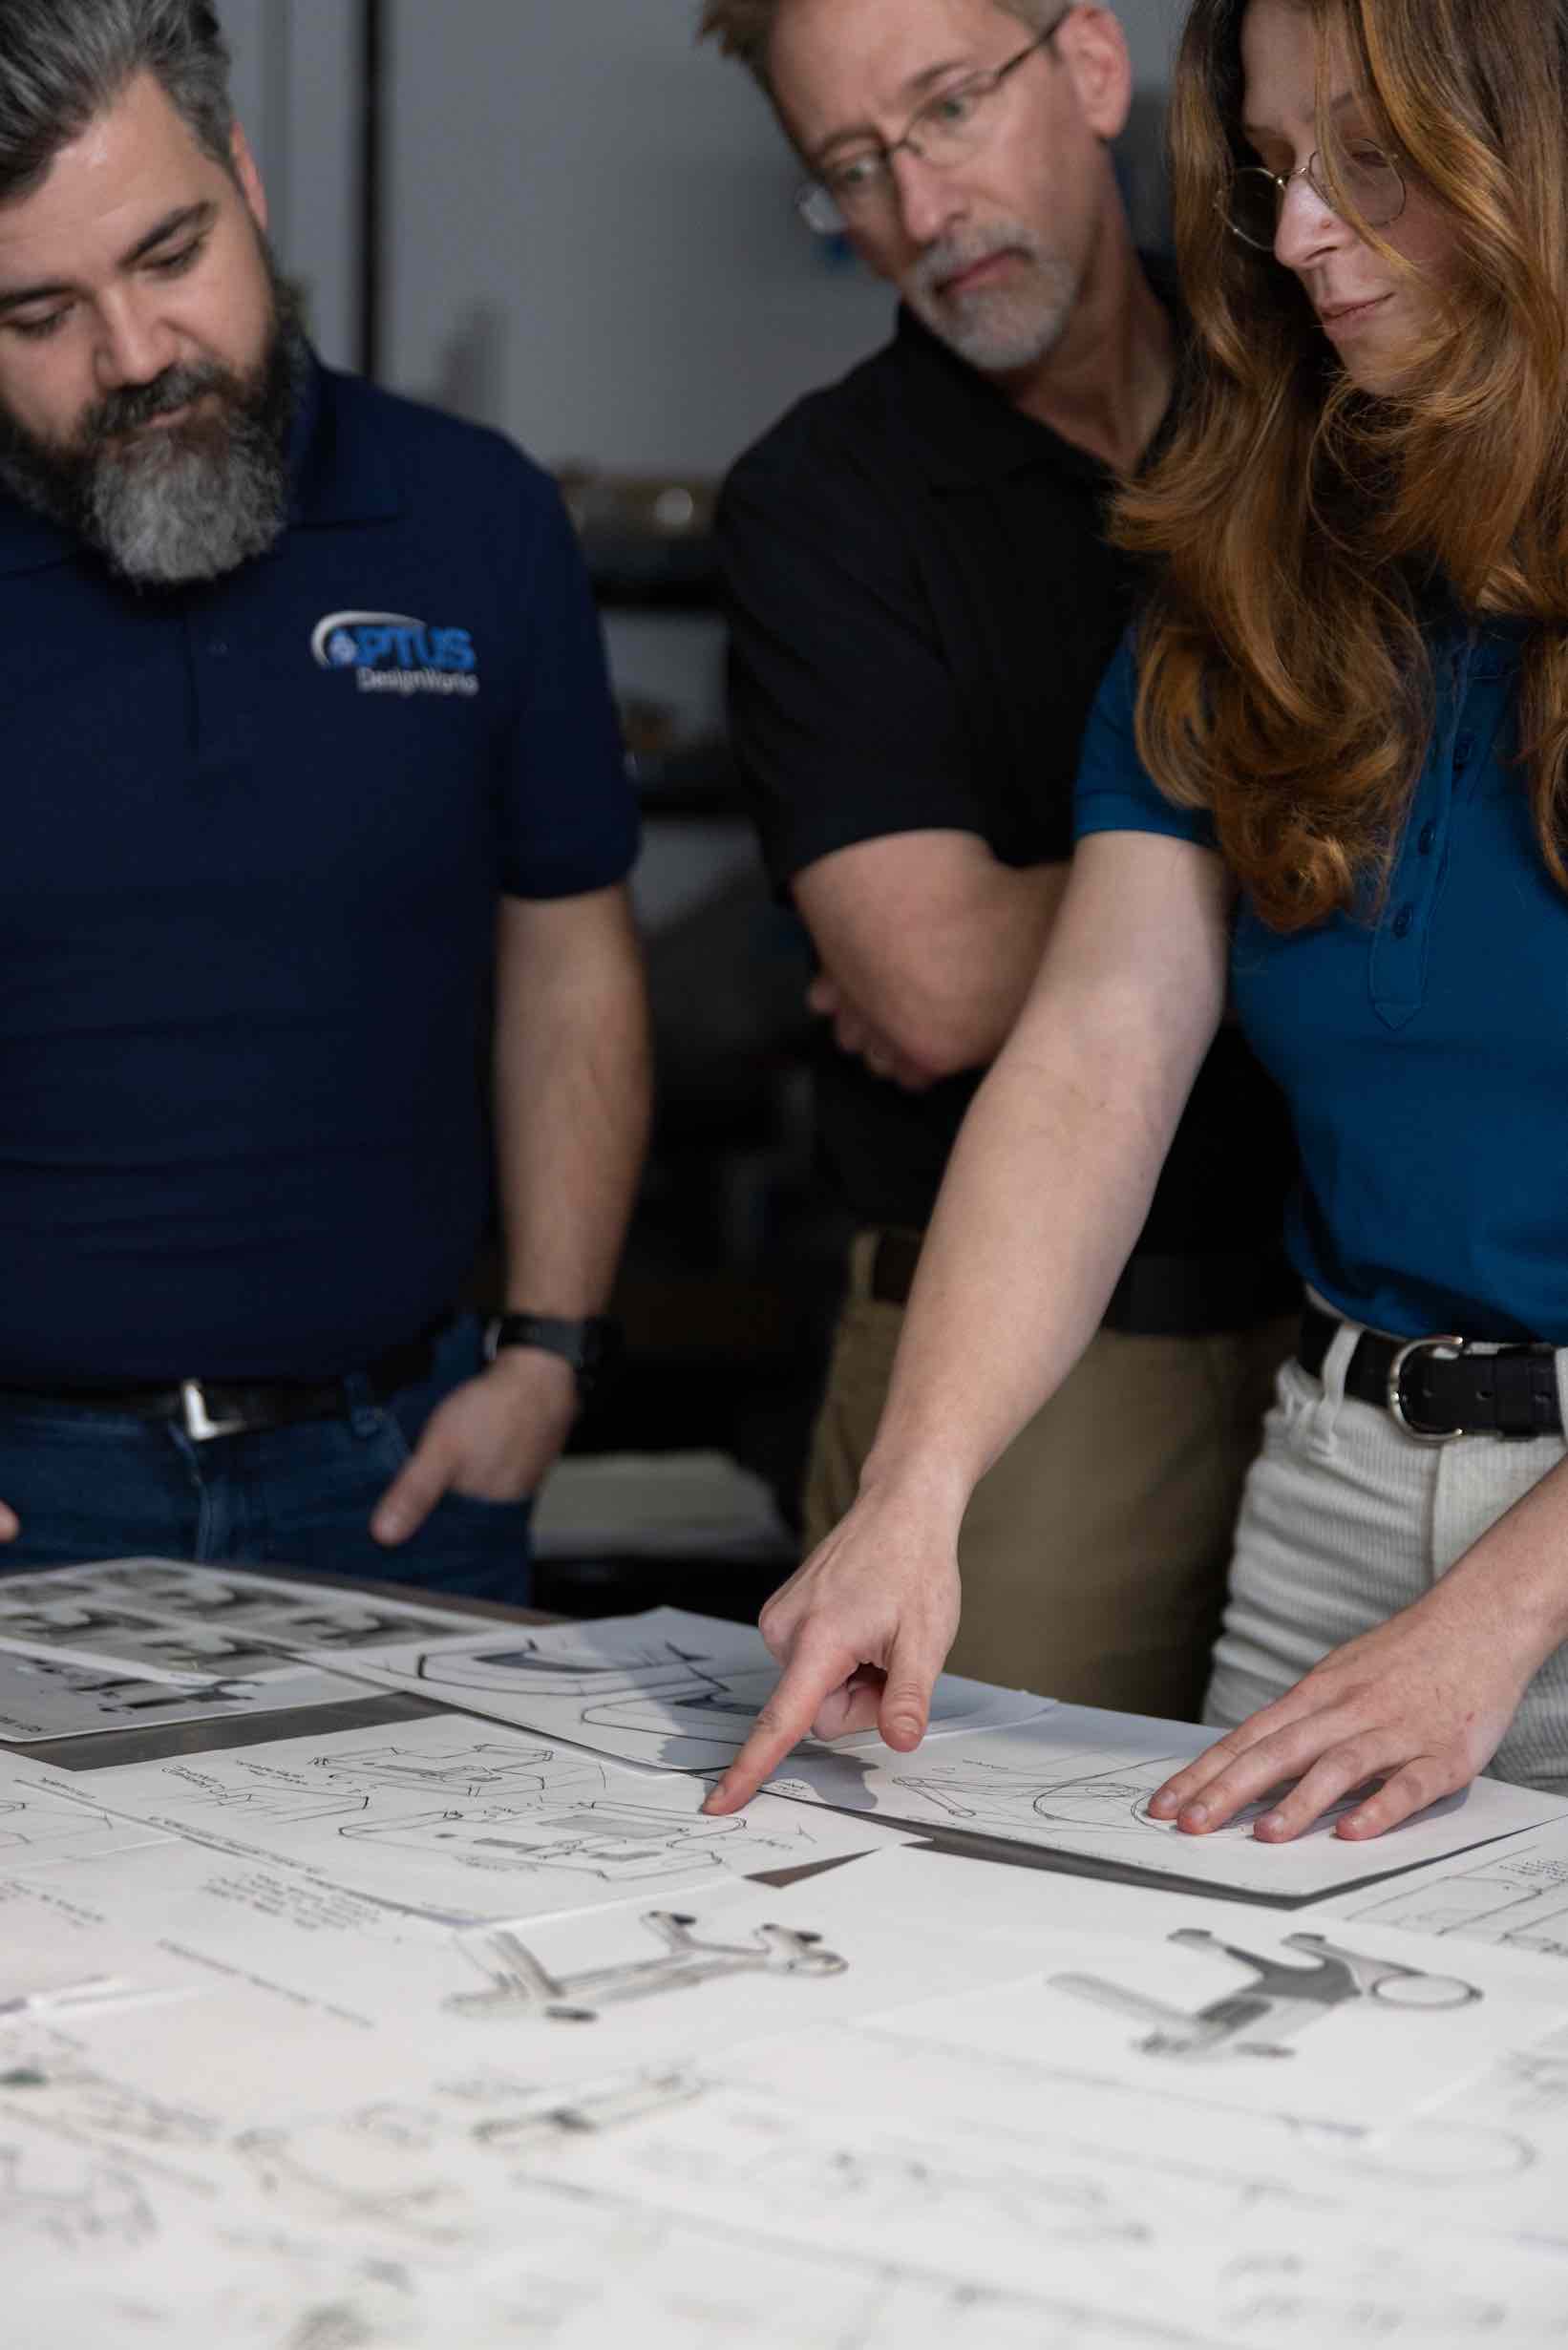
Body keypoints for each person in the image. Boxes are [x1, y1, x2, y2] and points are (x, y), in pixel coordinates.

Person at [707, 0, 1568, 1827]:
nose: (1300, 235)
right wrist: (914, 1495)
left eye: (1370, 161)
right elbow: (1095, 1049)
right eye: (1269, 172)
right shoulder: (1252, 556)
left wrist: (1488, 1626)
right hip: (1335, 1471)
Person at [0, 0, 650, 1597]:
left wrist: (549, 1353)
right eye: (39, 314)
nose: (135, 355)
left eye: (169, 254)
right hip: (26, 1497)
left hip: (400, 1477)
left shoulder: (474, 517)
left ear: (245, 177)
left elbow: (568, 953)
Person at [700, 0, 1299, 1720]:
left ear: (1091, 68)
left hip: (1350, 1332)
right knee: (964, 1893)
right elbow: (936, 984)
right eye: (851, 169)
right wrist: (1320, 848)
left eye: (948, 109)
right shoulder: (820, 504)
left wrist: (1091, 889)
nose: (919, 206)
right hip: (1035, 1385)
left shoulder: (1320, 374)